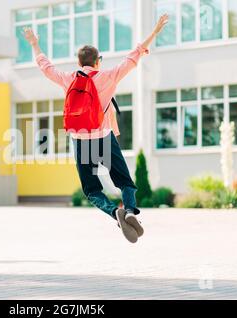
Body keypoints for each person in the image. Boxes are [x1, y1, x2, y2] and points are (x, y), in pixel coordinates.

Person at [23, 14, 169, 243]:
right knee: (124, 182)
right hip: (103, 139)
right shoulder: (108, 77)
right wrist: (155, 31)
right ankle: (130, 211)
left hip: (80, 141)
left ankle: (114, 213)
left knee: (92, 190)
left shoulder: (69, 78)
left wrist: (34, 43)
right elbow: (134, 55)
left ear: (79, 63)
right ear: (98, 61)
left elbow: (45, 66)